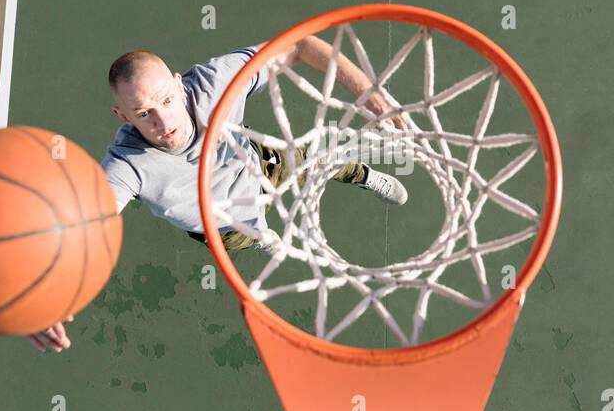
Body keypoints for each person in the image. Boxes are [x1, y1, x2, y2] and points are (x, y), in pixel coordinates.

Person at [28, 36, 409, 352]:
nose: (163, 121)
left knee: (319, 160)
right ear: (122, 115)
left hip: (259, 168)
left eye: (166, 100)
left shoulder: (213, 85)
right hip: (223, 225)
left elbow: (299, 45)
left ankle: (361, 175)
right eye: (143, 113)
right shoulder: (126, 165)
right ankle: (263, 237)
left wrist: (369, 92)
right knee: (250, 237)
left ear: (179, 84)